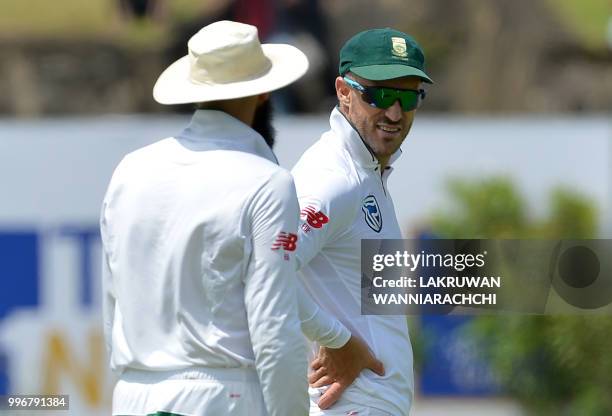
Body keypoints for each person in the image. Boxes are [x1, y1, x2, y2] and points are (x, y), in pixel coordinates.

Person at [100, 20, 371, 416]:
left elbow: (113, 300)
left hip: (133, 393)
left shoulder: (129, 169)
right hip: (222, 398)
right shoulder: (267, 183)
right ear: (265, 91)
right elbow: (273, 326)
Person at [292, 28, 434, 415]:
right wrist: (338, 341)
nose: (394, 113)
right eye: (380, 94)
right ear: (343, 91)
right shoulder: (334, 178)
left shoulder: (365, 171)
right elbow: (266, 269)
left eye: (407, 97)